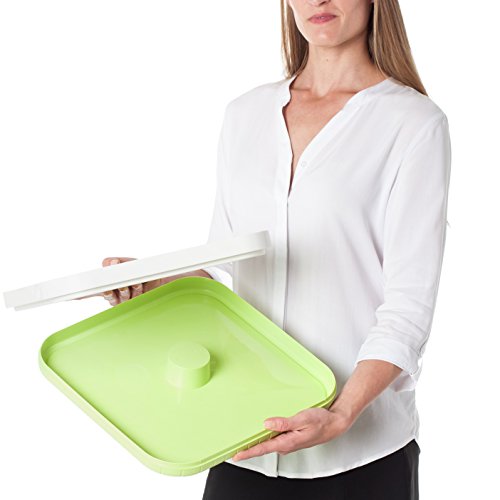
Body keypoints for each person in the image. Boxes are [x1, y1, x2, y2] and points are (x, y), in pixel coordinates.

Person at [94, 1, 451, 498]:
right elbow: (226, 280)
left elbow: (409, 305)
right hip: (242, 437)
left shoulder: (413, 123)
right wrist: (157, 282)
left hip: (360, 453)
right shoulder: (245, 114)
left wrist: (341, 412)